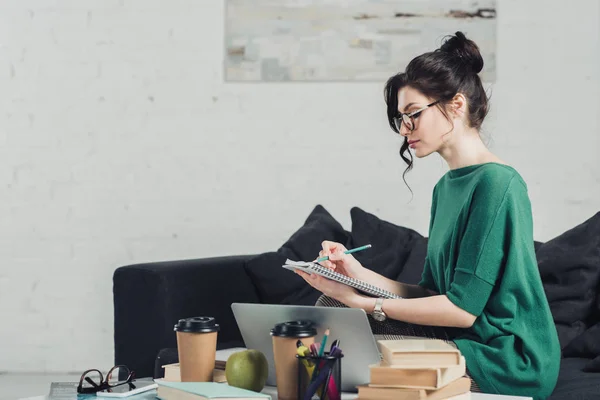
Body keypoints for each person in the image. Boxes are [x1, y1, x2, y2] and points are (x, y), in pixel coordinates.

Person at [295, 31, 560, 399]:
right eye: (401, 119)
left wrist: (363, 301)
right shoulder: (446, 188)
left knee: (345, 327)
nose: (405, 131)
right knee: (331, 305)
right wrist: (358, 276)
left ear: (456, 105)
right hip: (459, 336)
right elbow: (432, 293)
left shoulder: (497, 184)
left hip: (502, 356)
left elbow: (462, 311)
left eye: (413, 115)